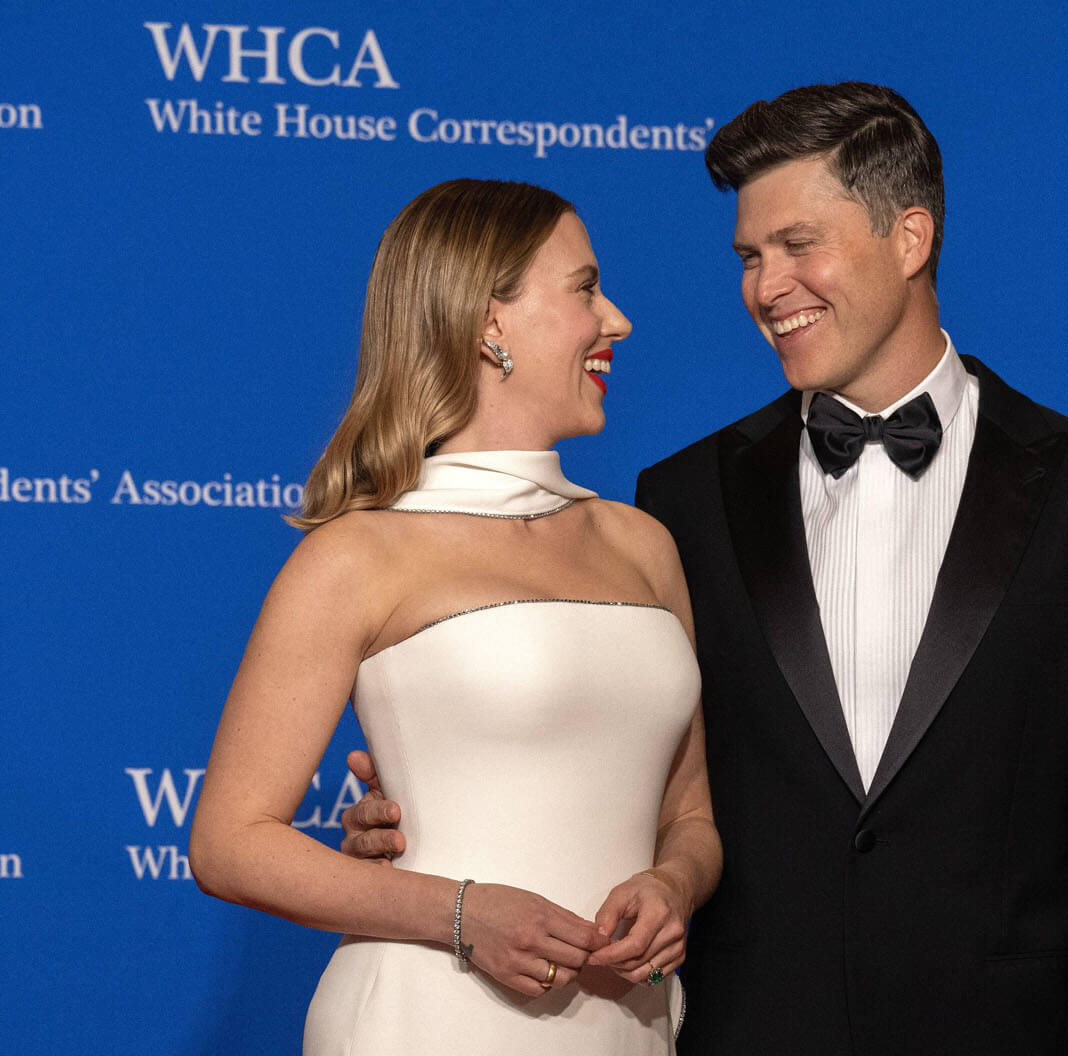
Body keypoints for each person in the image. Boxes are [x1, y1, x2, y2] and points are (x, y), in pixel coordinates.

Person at [345, 83, 1068, 1055]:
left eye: (798, 245)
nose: (766, 287)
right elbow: (638, 768)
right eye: (751, 256)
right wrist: (436, 810)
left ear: (910, 239)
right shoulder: (683, 500)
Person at [189, 178, 720, 1055]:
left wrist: (675, 885)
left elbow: (690, 816)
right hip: (424, 1020)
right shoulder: (358, 555)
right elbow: (229, 843)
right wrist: (465, 914)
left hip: (629, 1026)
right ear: (486, 321)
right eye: (585, 289)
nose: (617, 320)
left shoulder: (642, 545)